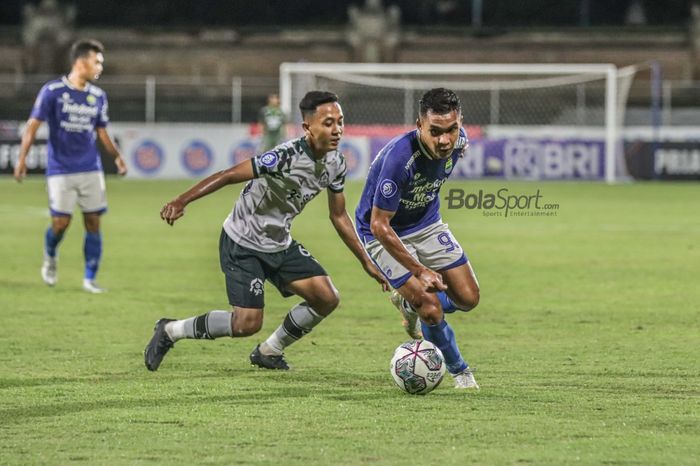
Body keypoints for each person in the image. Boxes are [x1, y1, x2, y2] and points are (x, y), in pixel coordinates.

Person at [144, 91, 388, 372]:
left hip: (279, 243)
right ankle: (170, 330)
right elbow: (228, 175)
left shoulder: (336, 164)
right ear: (308, 127)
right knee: (246, 324)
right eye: (329, 123)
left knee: (326, 297)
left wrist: (366, 261)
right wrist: (181, 200)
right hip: (243, 242)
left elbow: (338, 215)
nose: (337, 130)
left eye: (340, 122)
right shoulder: (285, 156)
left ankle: (269, 351)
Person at [355, 88, 481, 389]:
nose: (444, 140)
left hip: (426, 223)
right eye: (435, 132)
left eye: (452, 130)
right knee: (431, 307)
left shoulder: (458, 141)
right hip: (382, 232)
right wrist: (420, 270)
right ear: (419, 125)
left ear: (460, 122)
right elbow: (379, 224)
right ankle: (460, 372)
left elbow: (454, 147)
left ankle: (410, 305)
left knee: (468, 298)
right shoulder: (400, 160)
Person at [14, 38, 127, 293]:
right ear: (81, 62)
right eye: (96, 62)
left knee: (93, 222)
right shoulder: (52, 91)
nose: (100, 67)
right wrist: (22, 158)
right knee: (60, 224)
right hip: (60, 169)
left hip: (90, 168)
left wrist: (117, 157)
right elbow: (33, 125)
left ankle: (89, 278)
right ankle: (51, 255)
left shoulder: (98, 96)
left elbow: (102, 131)